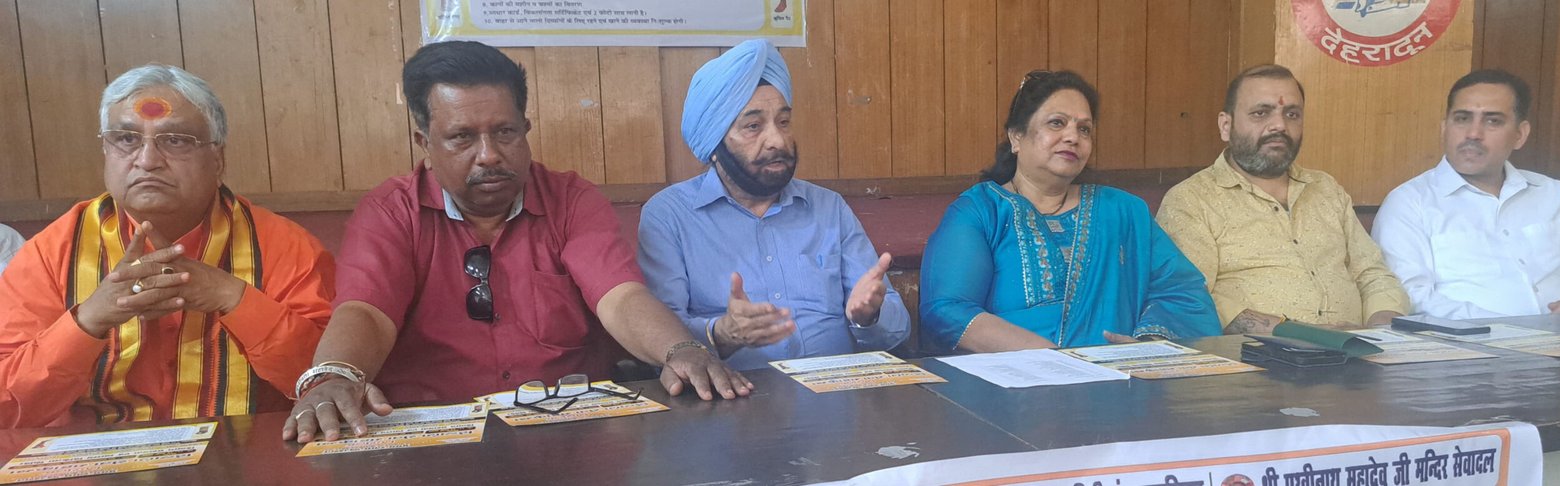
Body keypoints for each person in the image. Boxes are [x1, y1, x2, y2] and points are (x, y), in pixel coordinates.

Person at [285, 41, 750, 444]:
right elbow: (366, 310)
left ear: (525, 129)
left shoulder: (571, 200)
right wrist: (337, 374)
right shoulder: (391, 212)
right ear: (424, 143)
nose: (489, 155)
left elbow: (620, 295)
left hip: (572, 437)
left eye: (504, 132)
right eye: (462, 138)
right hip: (437, 440)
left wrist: (680, 350)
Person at [0, 65, 334, 428]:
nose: (147, 161)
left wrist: (233, 298)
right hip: (98, 457)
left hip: (247, 452)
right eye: (126, 139)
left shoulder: (284, 246)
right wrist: (89, 320)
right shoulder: (51, 253)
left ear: (218, 160)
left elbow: (330, 382)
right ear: (106, 151)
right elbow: (8, 410)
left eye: (175, 141)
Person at [636, 39, 909, 370]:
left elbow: (897, 329)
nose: (777, 141)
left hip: (840, 387)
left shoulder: (829, 208)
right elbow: (660, 335)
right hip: (734, 394)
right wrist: (722, 334)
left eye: (783, 122)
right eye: (753, 127)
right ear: (714, 145)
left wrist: (868, 317)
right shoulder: (670, 216)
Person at [919, 70, 1219, 353]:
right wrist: (1050, 357)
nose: (1073, 137)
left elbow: (1183, 293)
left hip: (1119, 376)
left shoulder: (1124, 212)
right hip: (1014, 378)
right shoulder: (981, 211)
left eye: (1084, 129)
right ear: (1016, 136)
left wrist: (1147, 344)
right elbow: (946, 310)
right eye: (1056, 123)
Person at [1156, 64, 1409, 334]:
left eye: (1292, 114)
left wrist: (1383, 330)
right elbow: (1191, 298)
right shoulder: (1192, 200)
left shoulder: (1325, 188)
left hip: (1360, 350)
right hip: (1256, 356)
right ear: (1226, 126)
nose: (1279, 125)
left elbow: (1372, 274)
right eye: (1261, 113)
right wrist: (1304, 335)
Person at [1372, 69, 1560, 318]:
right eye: (1462, 119)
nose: (1473, 134)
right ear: (1444, 128)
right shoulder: (1410, 203)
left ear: (1520, 135)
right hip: (1468, 341)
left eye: (1492, 121)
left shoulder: (1550, 192)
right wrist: (1512, 329)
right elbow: (1411, 298)